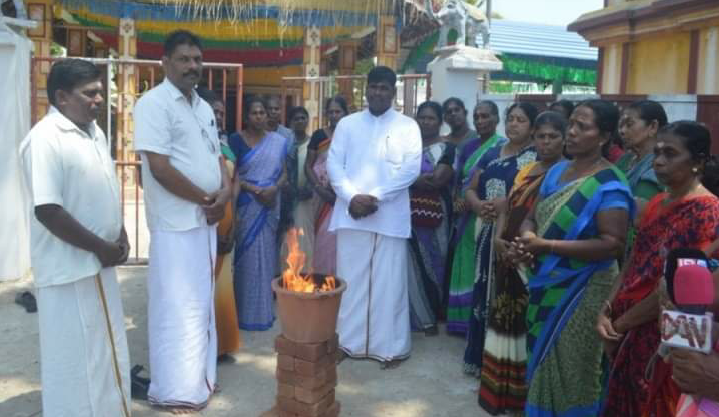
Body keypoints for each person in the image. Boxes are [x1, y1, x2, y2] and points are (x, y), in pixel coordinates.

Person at [20, 58, 130, 416]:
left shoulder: (95, 132)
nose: (99, 99)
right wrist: (100, 247)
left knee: (105, 353)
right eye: (90, 93)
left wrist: (120, 233)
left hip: (99, 264)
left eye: (100, 92)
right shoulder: (45, 139)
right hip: (69, 270)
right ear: (62, 97)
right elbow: (48, 210)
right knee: (74, 365)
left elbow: (104, 189)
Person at [509, 99, 633, 417]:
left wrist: (546, 246)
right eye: (572, 124)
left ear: (604, 136)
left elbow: (613, 245)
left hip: (585, 288)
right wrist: (527, 240)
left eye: (583, 126)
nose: (572, 132)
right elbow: (532, 218)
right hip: (545, 282)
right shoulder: (557, 171)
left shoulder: (610, 184)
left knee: (576, 370)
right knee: (544, 360)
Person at [134, 30, 231, 412]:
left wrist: (225, 192)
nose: (193, 66)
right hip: (175, 224)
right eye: (184, 59)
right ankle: (174, 391)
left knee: (200, 306)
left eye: (197, 59)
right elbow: (159, 168)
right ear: (165, 63)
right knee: (175, 308)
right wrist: (207, 200)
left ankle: (199, 382)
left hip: (204, 222)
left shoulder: (203, 107)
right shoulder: (153, 104)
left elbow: (217, 156)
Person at [598, 121, 719, 417]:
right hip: (624, 325)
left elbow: (680, 290)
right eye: (658, 152)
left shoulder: (708, 213)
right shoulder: (657, 202)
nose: (659, 161)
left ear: (698, 162)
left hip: (663, 335)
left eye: (670, 154)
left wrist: (620, 326)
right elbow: (633, 261)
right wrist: (606, 310)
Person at [327, 66, 422, 368]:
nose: (378, 92)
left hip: (389, 215)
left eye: (384, 88)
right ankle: (347, 342)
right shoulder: (347, 124)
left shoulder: (408, 127)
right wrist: (352, 197)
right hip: (352, 213)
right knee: (350, 280)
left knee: (389, 284)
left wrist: (376, 196)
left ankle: (391, 348)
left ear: (393, 92)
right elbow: (334, 165)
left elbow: (410, 170)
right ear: (366, 90)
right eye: (374, 87)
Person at [479, 111, 567, 414]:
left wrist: (527, 247)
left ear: (564, 139)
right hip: (507, 252)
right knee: (505, 320)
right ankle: (501, 392)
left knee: (529, 323)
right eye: (541, 136)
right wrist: (498, 238)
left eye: (553, 136)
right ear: (534, 138)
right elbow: (508, 205)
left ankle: (526, 396)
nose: (546, 142)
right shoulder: (526, 170)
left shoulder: (567, 174)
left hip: (534, 257)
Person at [463, 102, 539, 376]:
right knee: (484, 287)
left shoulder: (536, 157)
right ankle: (481, 357)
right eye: (511, 119)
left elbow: (532, 196)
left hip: (514, 232)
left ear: (532, 126)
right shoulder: (492, 153)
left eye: (521, 120)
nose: (513, 124)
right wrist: (477, 204)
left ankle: (505, 362)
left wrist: (502, 204)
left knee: (508, 292)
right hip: (485, 229)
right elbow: (471, 188)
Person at [447, 100, 505, 334]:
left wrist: (478, 203)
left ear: (496, 119)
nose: (480, 121)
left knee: (480, 266)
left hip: (487, 214)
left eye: (486, 116)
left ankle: (477, 321)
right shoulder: (468, 147)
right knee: (463, 263)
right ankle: (460, 320)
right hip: (464, 216)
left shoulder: (502, 146)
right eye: (477, 116)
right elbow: (458, 179)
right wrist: (457, 200)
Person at [230, 96, 288, 331]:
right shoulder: (236, 140)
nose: (259, 117)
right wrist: (255, 189)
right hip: (247, 205)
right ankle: (243, 313)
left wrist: (274, 188)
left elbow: (285, 173)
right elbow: (232, 175)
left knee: (266, 260)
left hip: (269, 205)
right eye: (254, 113)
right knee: (246, 260)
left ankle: (263, 312)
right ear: (246, 117)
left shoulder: (278, 142)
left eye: (262, 112)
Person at [196, 87, 241, 360]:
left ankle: (222, 344)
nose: (220, 117)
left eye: (222, 113)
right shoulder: (197, 144)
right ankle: (203, 345)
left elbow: (234, 181)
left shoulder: (223, 143)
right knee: (204, 283)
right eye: (215, 112)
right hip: (208, 216)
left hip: (228, 215)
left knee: (223, 283)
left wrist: (233, 220)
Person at [407, 101, 455, 336]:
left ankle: (434, 314)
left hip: (438, 217)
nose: (425, 122)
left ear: (440, 122)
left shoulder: (447, 148)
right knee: (412, 262)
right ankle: (417, 316)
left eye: (431, 118)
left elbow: (437, 180)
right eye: (422, 117)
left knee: (437, 262)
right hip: (407, 214)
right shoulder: (408, 147)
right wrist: (416, 179)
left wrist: (410, 179)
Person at [305, 96, 349, 276]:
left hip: (344, 197)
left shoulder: (351, 135)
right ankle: (322, 279)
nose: (334, 115)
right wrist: (320, 188)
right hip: (321, 197)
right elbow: (308, 166)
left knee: (341, 240)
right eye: (330, 112)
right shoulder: (319, 136)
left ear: (345, 113)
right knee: (322, 238)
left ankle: (341, 280)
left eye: (338, 111)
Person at [615, 100, 667, 215]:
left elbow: (638, 213)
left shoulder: (658, 165)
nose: (622, 131)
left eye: (629, 124)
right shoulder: (626, 159)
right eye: (621, 125)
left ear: (653, 126)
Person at [279, 106, 315, 267]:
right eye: (296, 119)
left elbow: (316, 169)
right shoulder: (285, 144)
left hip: (306, 200)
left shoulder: (313, 144)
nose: (300, 121)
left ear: (307, 120)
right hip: (286, 199)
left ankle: (305, 274)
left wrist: (309, 189)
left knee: (304, 239)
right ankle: (287, 276)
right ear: (290, 122)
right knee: (286, 241)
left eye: (303, 118)